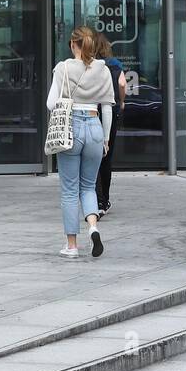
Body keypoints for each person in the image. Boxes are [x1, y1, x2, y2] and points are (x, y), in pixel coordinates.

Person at [47, 25, 116, 259]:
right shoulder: (103, 70)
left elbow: (50, 104)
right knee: (88, 187)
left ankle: (72, 246)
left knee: (69, 190)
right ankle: (93, 228)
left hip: (70, 129)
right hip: (95, 127)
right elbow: (107, 108)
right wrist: (105, 139)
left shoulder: (63, 68)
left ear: (72, 44)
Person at [92, 32, 128, 217]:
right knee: (106, 155)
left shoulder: (90, 65)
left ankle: (96, 199)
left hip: (92, 111)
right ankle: (104, 199)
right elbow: (122, 84)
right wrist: (121, 102)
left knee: (93, 156)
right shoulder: (114, 64)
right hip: (111, 110)